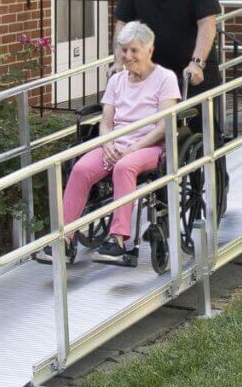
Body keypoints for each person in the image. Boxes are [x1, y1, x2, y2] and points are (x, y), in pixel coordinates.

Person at [36, 22, 180, 267]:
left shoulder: (165, 78)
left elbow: (163, 126)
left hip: (149, 146)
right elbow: (106, 121)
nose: (128, 56)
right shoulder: (117, 81)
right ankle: (65, 239)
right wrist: (109, 142)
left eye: (134, 50)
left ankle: (118, 240)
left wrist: (132, 149)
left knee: (125, 167)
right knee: (80, 169)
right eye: (124, 50)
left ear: (149, 51)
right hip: (115, 144)